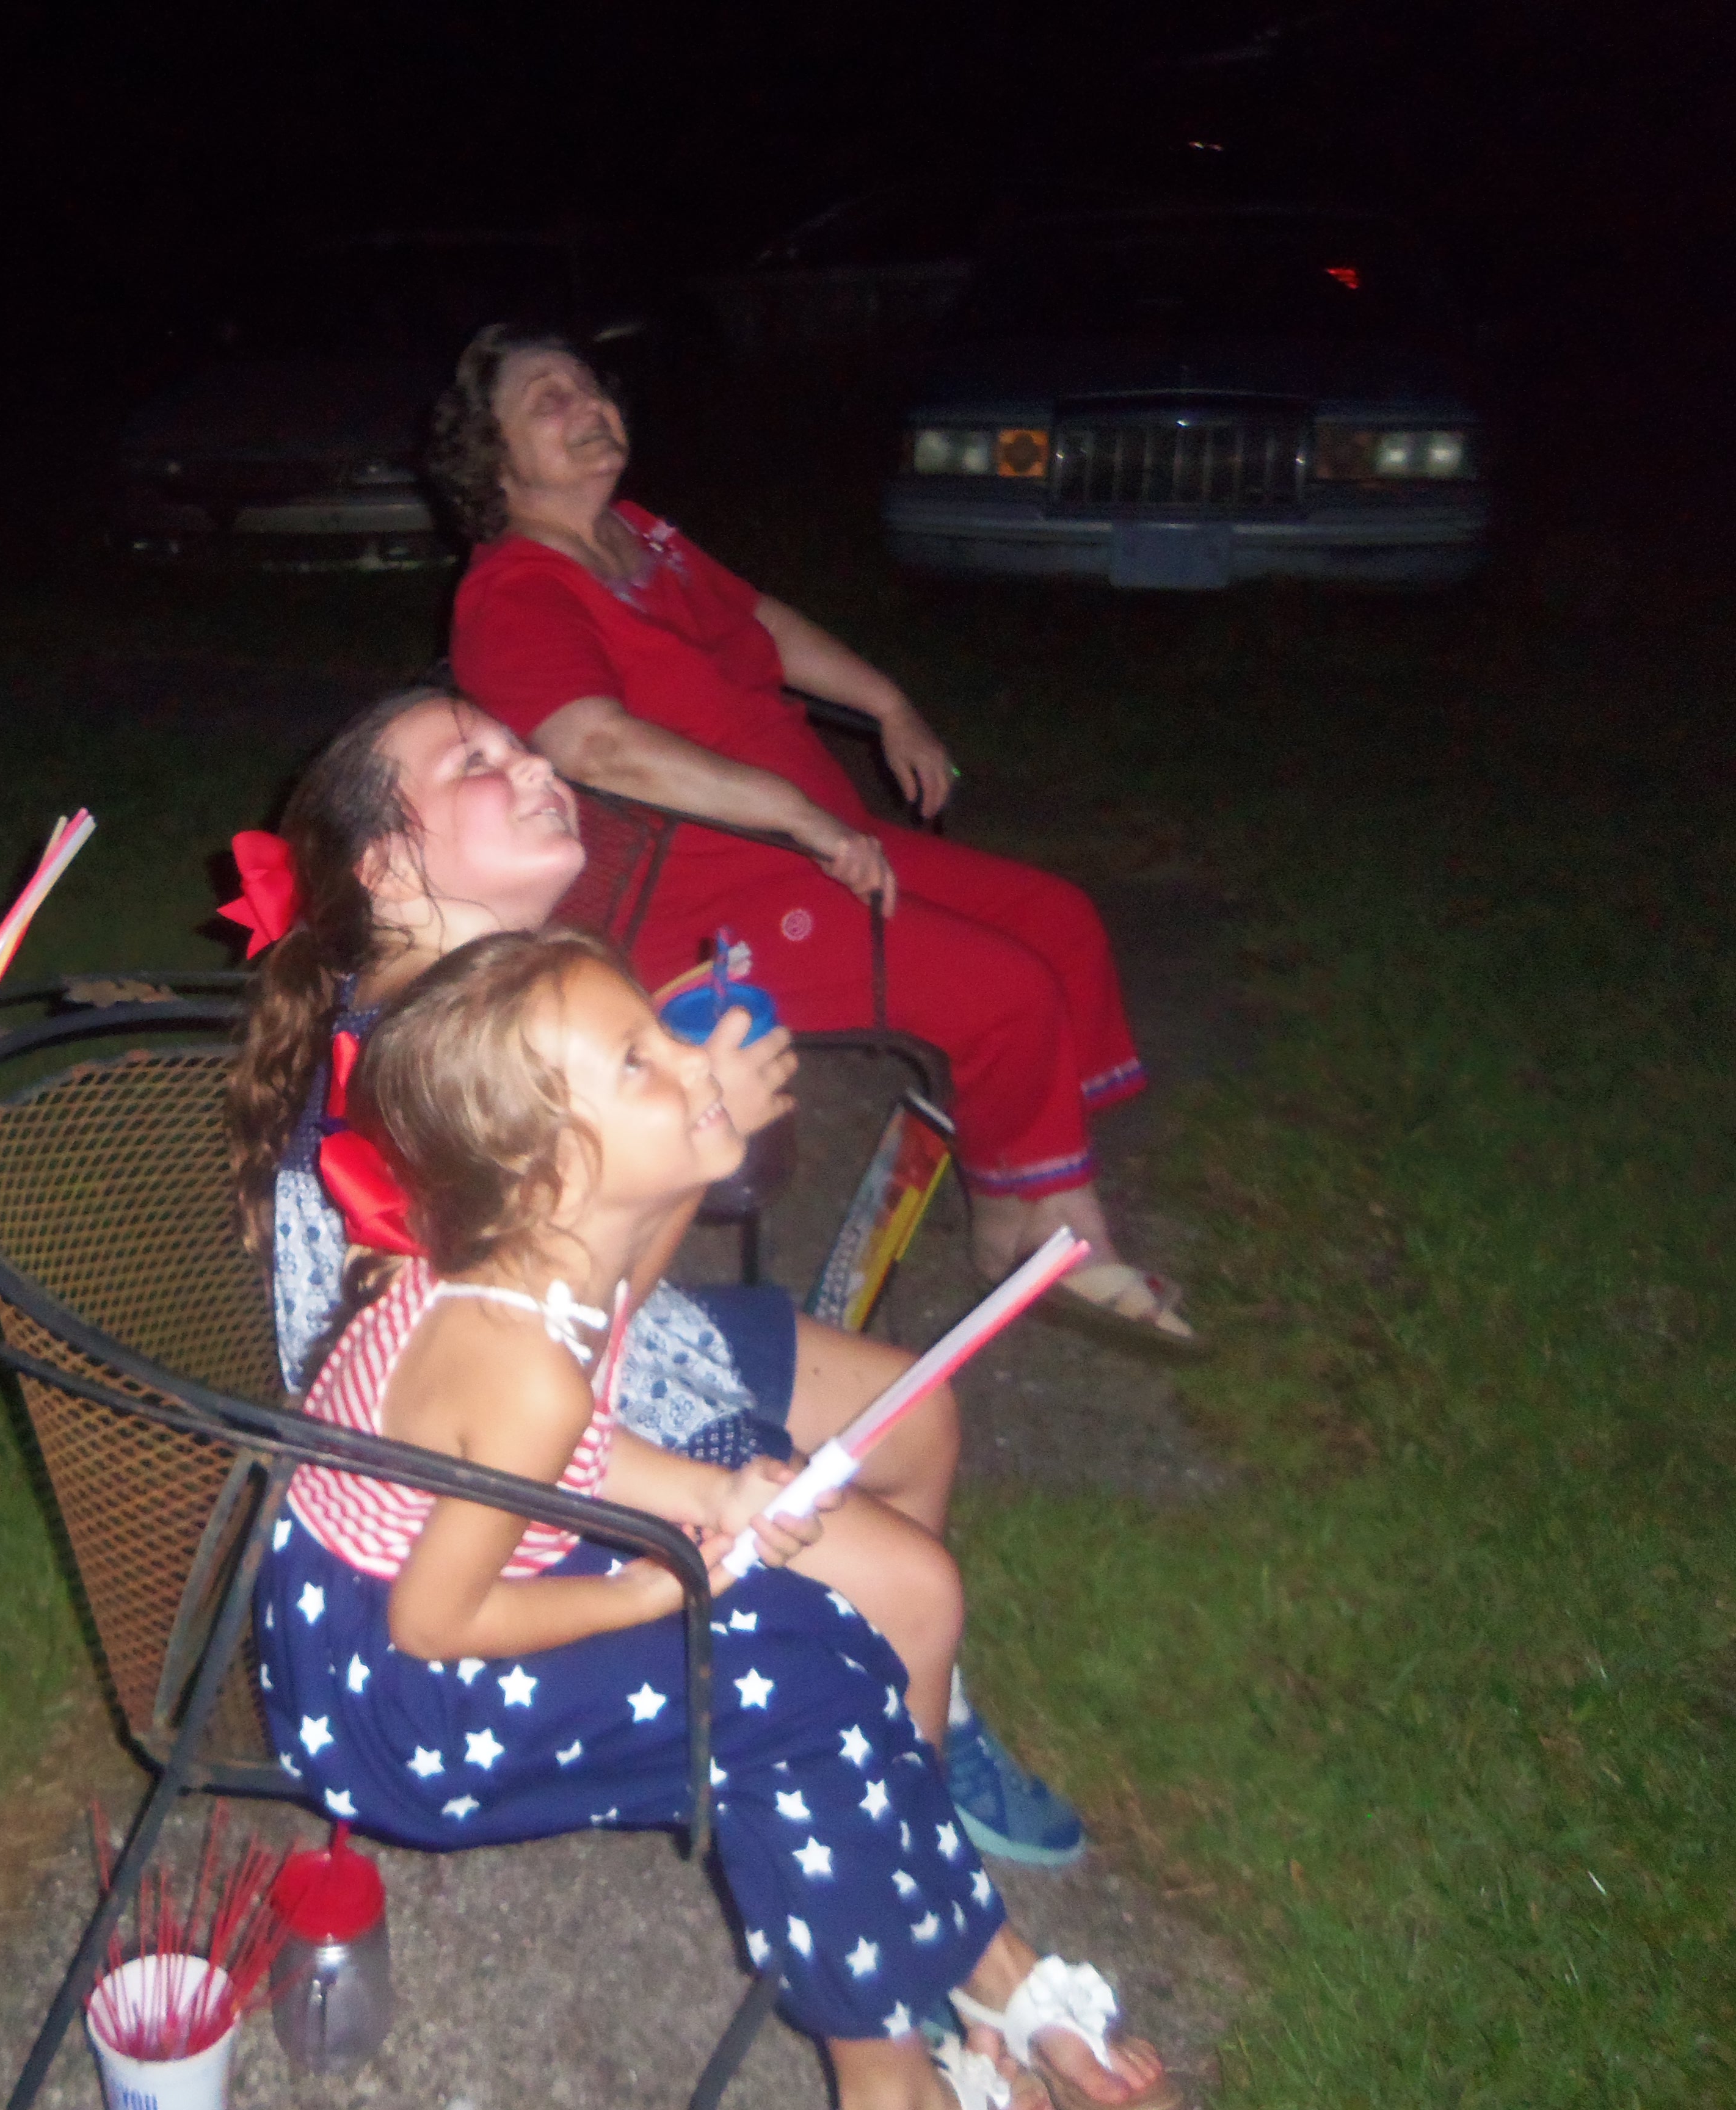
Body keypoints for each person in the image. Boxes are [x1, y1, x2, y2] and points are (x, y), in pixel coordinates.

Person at [254, 927, 1178, 2110]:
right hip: (398, 1700)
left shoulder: (544, 1265)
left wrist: (705, 1494)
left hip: (405, 1603)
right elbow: (436, 1621)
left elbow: (555, 1451)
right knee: (800, 1705)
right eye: (640, 1060)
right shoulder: (518, 1359)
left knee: (832, 1635)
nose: (692, 1060)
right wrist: (651, 1591)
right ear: (548, 1171)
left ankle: (958, 1967)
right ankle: (897, 2073)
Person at [226, 686, 1089, 1868]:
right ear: (384, 866)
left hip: (607, 1335)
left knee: (918, 1411)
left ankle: (919, 1705)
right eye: (475, 761)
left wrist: (672, 1089)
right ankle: (901, 1837)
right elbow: (561, 1345)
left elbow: (595, 1288)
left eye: (518, 742)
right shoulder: (423, 1089)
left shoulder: (505, 1003)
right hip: (524, 1439)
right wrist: (697, 1148)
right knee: (915, 1584)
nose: (532, 763)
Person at [432, 325, 1199, 1357]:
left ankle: (1019, 1201)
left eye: (590, 387)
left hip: (816, 847)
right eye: (547, 401)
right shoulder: (515, 593)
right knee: (1004, 987)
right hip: (705, 903)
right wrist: (796, 813)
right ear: (493, 460)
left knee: (1057, 920)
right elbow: (592, 744)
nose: (588, 408)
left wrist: (889, 705)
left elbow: (761, 621)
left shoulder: (639, 537)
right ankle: (1062, 1230)